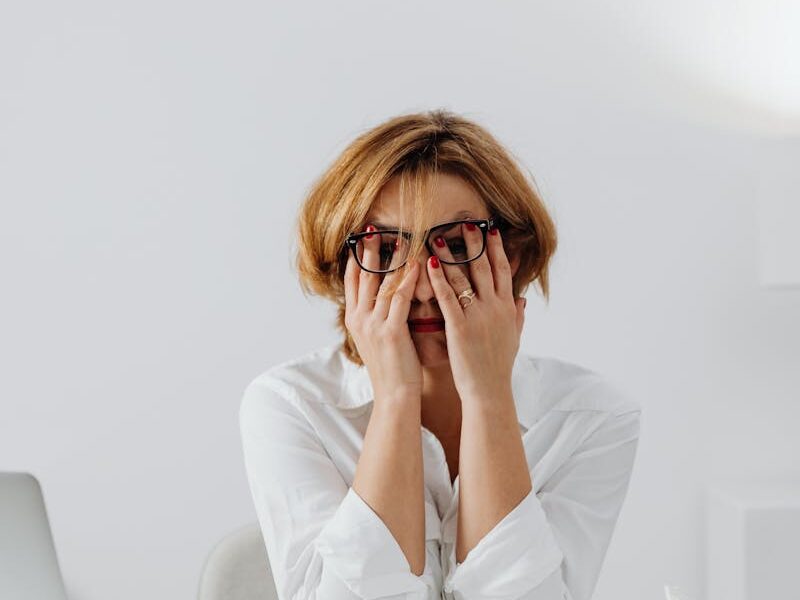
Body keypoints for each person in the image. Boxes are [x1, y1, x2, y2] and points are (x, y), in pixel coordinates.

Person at [239, 109, 642, 600]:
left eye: (455, 244)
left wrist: (489, 398)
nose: (425, 288)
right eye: (384, 248)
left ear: (510, 258)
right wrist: (395, 400)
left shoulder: (592, 418)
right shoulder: (291, 407)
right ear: (345, 266)